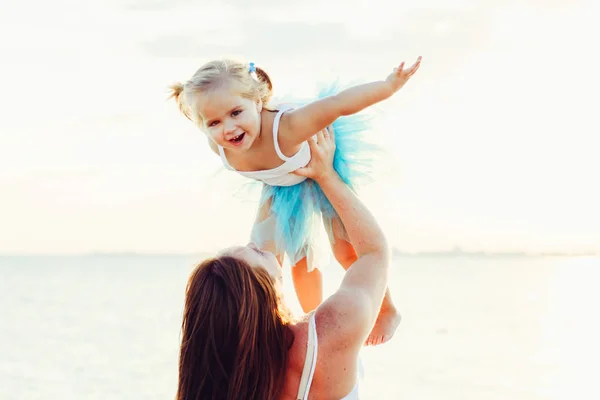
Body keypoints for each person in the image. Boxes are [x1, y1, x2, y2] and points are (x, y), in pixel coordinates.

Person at [169, 56, 420, 345]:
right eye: (214, 122)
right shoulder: (221, 145)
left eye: (236, 112)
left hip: (317, 162)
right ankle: (309, 322)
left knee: (347, 251)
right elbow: (262, 167)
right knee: (289, 259)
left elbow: (337, 104)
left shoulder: (289, 128)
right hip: (281, 182)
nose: (228, 128)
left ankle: (387, 309)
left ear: (258, 101)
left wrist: (388, 86)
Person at [177, 128, 391, 399]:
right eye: (255, 251)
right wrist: (326, 175)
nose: (255, 243)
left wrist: (273, 160)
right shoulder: (330, 330)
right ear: (266, 290)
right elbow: (374, 254)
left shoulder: (215, 380)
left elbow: (265, 239)